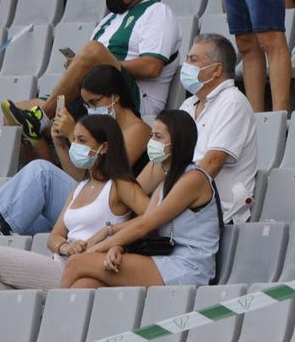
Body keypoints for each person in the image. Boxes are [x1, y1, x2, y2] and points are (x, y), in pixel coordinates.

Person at [0, 115, 143, 292]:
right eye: (74, 140)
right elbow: (54, 237)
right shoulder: (80, 187)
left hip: (84, 269)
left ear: (104, 148)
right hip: (61, 262)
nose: (75, 146)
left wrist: (110, 233)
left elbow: (150, 219)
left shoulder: (120, 185)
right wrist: (67, 247)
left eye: (82, 140)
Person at [4, 0, 180, 135]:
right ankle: (44, 144)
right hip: (91, 96)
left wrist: (96, 62)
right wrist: (80, 66)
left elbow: (152, 67)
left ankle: (42, 117)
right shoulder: (108, 20)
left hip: (134, 101)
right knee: (13, 117)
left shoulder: (157, 12)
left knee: (94, 51)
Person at [0, 66, 150, 238]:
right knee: (29, 211)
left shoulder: (138, 129)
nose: (91, 110)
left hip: (110, 209)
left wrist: (73, 135)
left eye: (94, 103)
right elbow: (82, 177)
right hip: (89, 200)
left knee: (41, 172)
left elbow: (105, 175)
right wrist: (61, 144)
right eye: (87, 105)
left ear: (115, 97)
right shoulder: (104, 129)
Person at [61, 110, 221, 289]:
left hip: (187, 266)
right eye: (151, 136)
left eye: (158, 137)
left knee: (76, 263)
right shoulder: (165, 183)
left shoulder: (194, 179)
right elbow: (144, 222)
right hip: (164, 259)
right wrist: (113, 240)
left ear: (176, 142)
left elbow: (146, 225)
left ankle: (50, 307)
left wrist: (99, 247)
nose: (151, 142)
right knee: (85, 284)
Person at [172, 34, 258, 224]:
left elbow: (212, 163)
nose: (186, 65)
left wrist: (167, 202)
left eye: (193, 60)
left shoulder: (233, 102)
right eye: (187, 59)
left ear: (217, 69)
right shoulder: (188, 104)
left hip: (216, 214)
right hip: (183, 207)